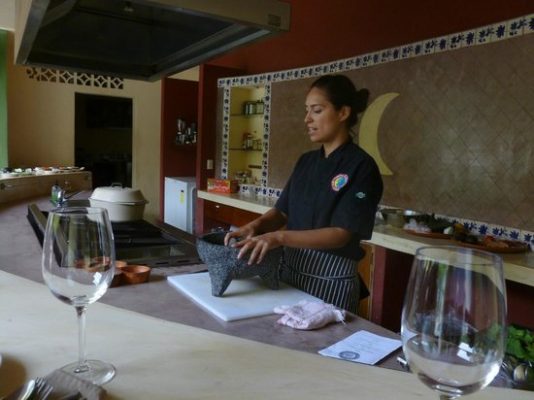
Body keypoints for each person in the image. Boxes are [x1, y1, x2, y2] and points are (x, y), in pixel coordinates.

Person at [224, 74, 383, 313]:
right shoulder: (306, 162)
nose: (307, 119)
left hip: (331, 282)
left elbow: (340, 234)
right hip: (291, 274)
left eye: (317, 110)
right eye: (307, 110)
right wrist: (255, 226)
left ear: (343, 113)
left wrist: (278, 238)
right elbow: (281, 212)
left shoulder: (361, 166)